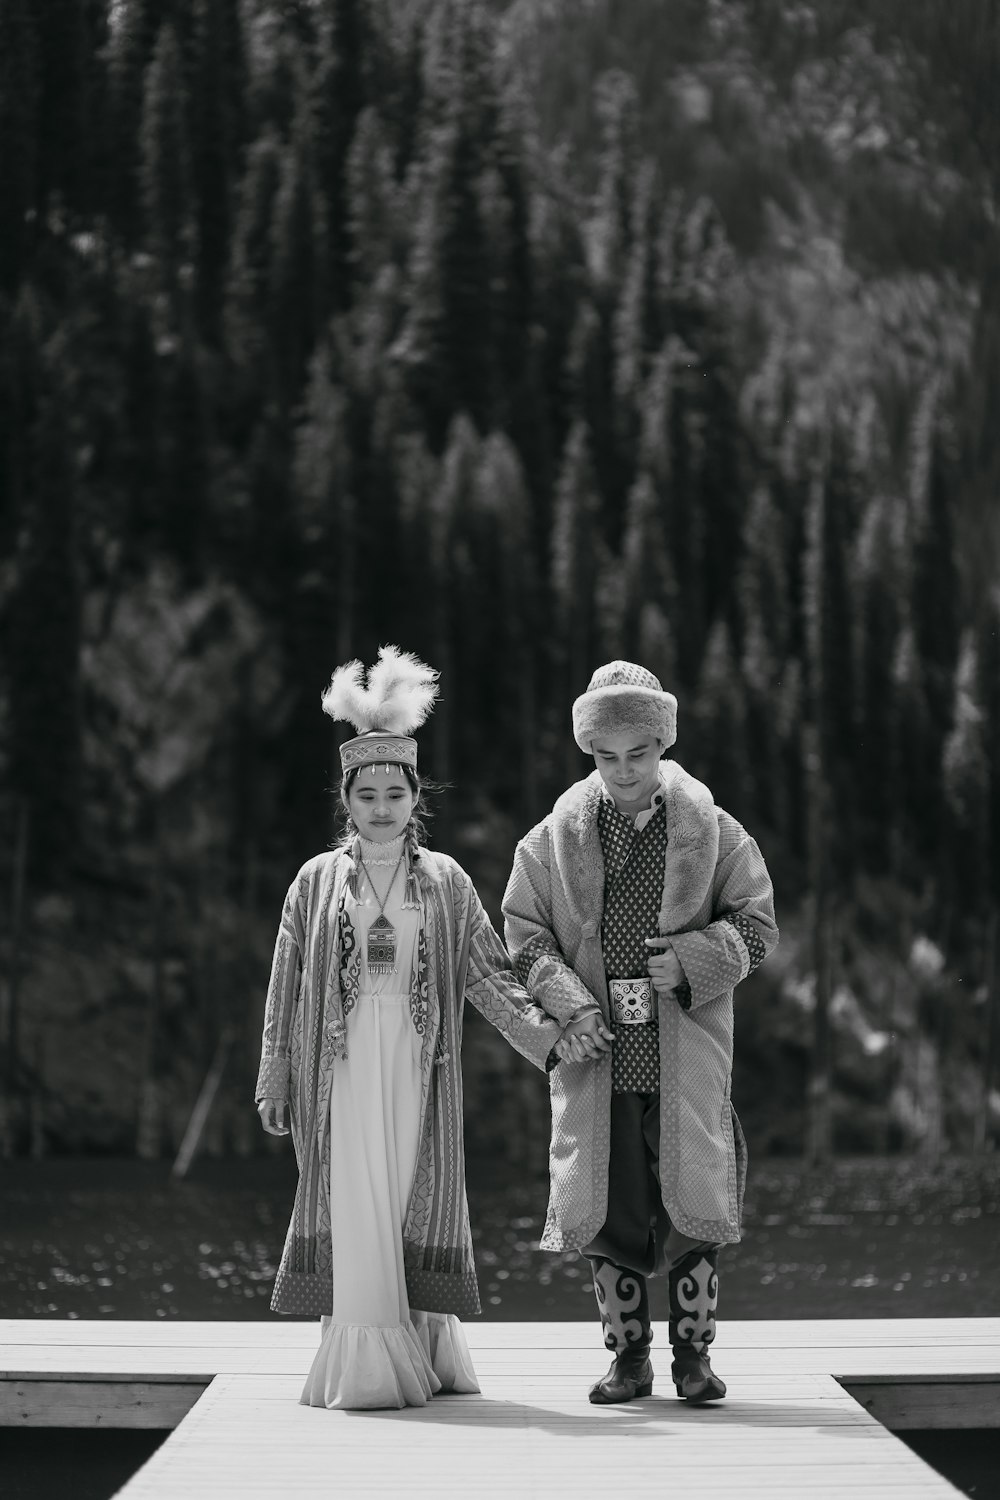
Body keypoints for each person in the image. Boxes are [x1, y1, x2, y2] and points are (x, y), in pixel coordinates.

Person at [255, 646, 562, 1410]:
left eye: (396, 793)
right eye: (368, 794)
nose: (382, 806)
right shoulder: (316, 881)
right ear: (347, 801)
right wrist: (275, 1075)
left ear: (415, 796)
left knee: (407, 1198)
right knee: (353, 1198)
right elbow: (285, 983)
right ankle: (364, 1360)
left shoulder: (447, 881)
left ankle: (420, 1341)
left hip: (420, 1064)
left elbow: (489, 974)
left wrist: (549, 1039)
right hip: (341, 1062)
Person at [503, 660, 778, 1405]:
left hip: (683, 1048)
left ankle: (695, 1358)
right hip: (599, 1054)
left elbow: (757, 925)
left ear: (662, 742)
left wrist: (692, 959)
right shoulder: (548, 842)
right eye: (605, 755)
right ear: (588, 750)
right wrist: (570, 1005)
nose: (623, 771)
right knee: (606, 1205)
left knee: (694, 1199)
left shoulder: (715, 832)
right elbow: (523, 936)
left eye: (639, 753)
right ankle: (628, 1360)